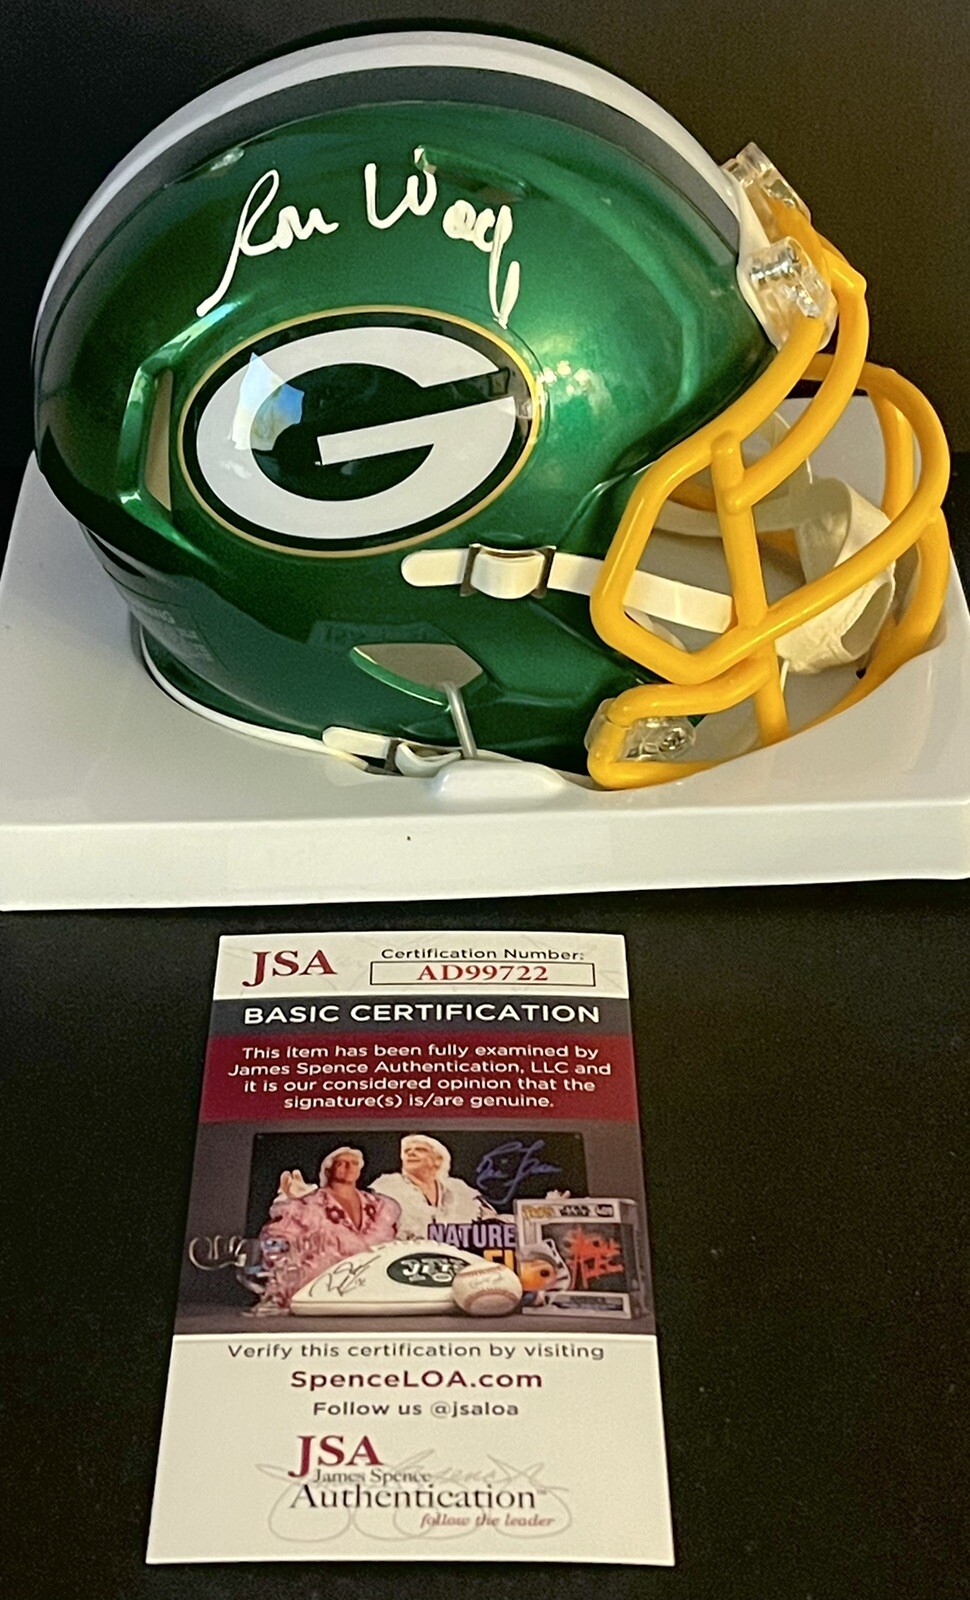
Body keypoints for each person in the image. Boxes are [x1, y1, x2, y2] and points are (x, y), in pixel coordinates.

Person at [256, 1146, 399, 1309]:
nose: (349, 1167)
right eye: (341, 1163)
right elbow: (278, 1242)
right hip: (320, 1291)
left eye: (354, 1163)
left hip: (372, 1293)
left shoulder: (380, 1205)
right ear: (329, 1170)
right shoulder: (307, 1205)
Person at [370, 1134, 496, 1239]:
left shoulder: (460, 1189)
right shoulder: (386, 1187)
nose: (411, 1153)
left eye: (420, 1150)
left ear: (438, 1160)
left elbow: (492, 1221)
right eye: (407, 1151)